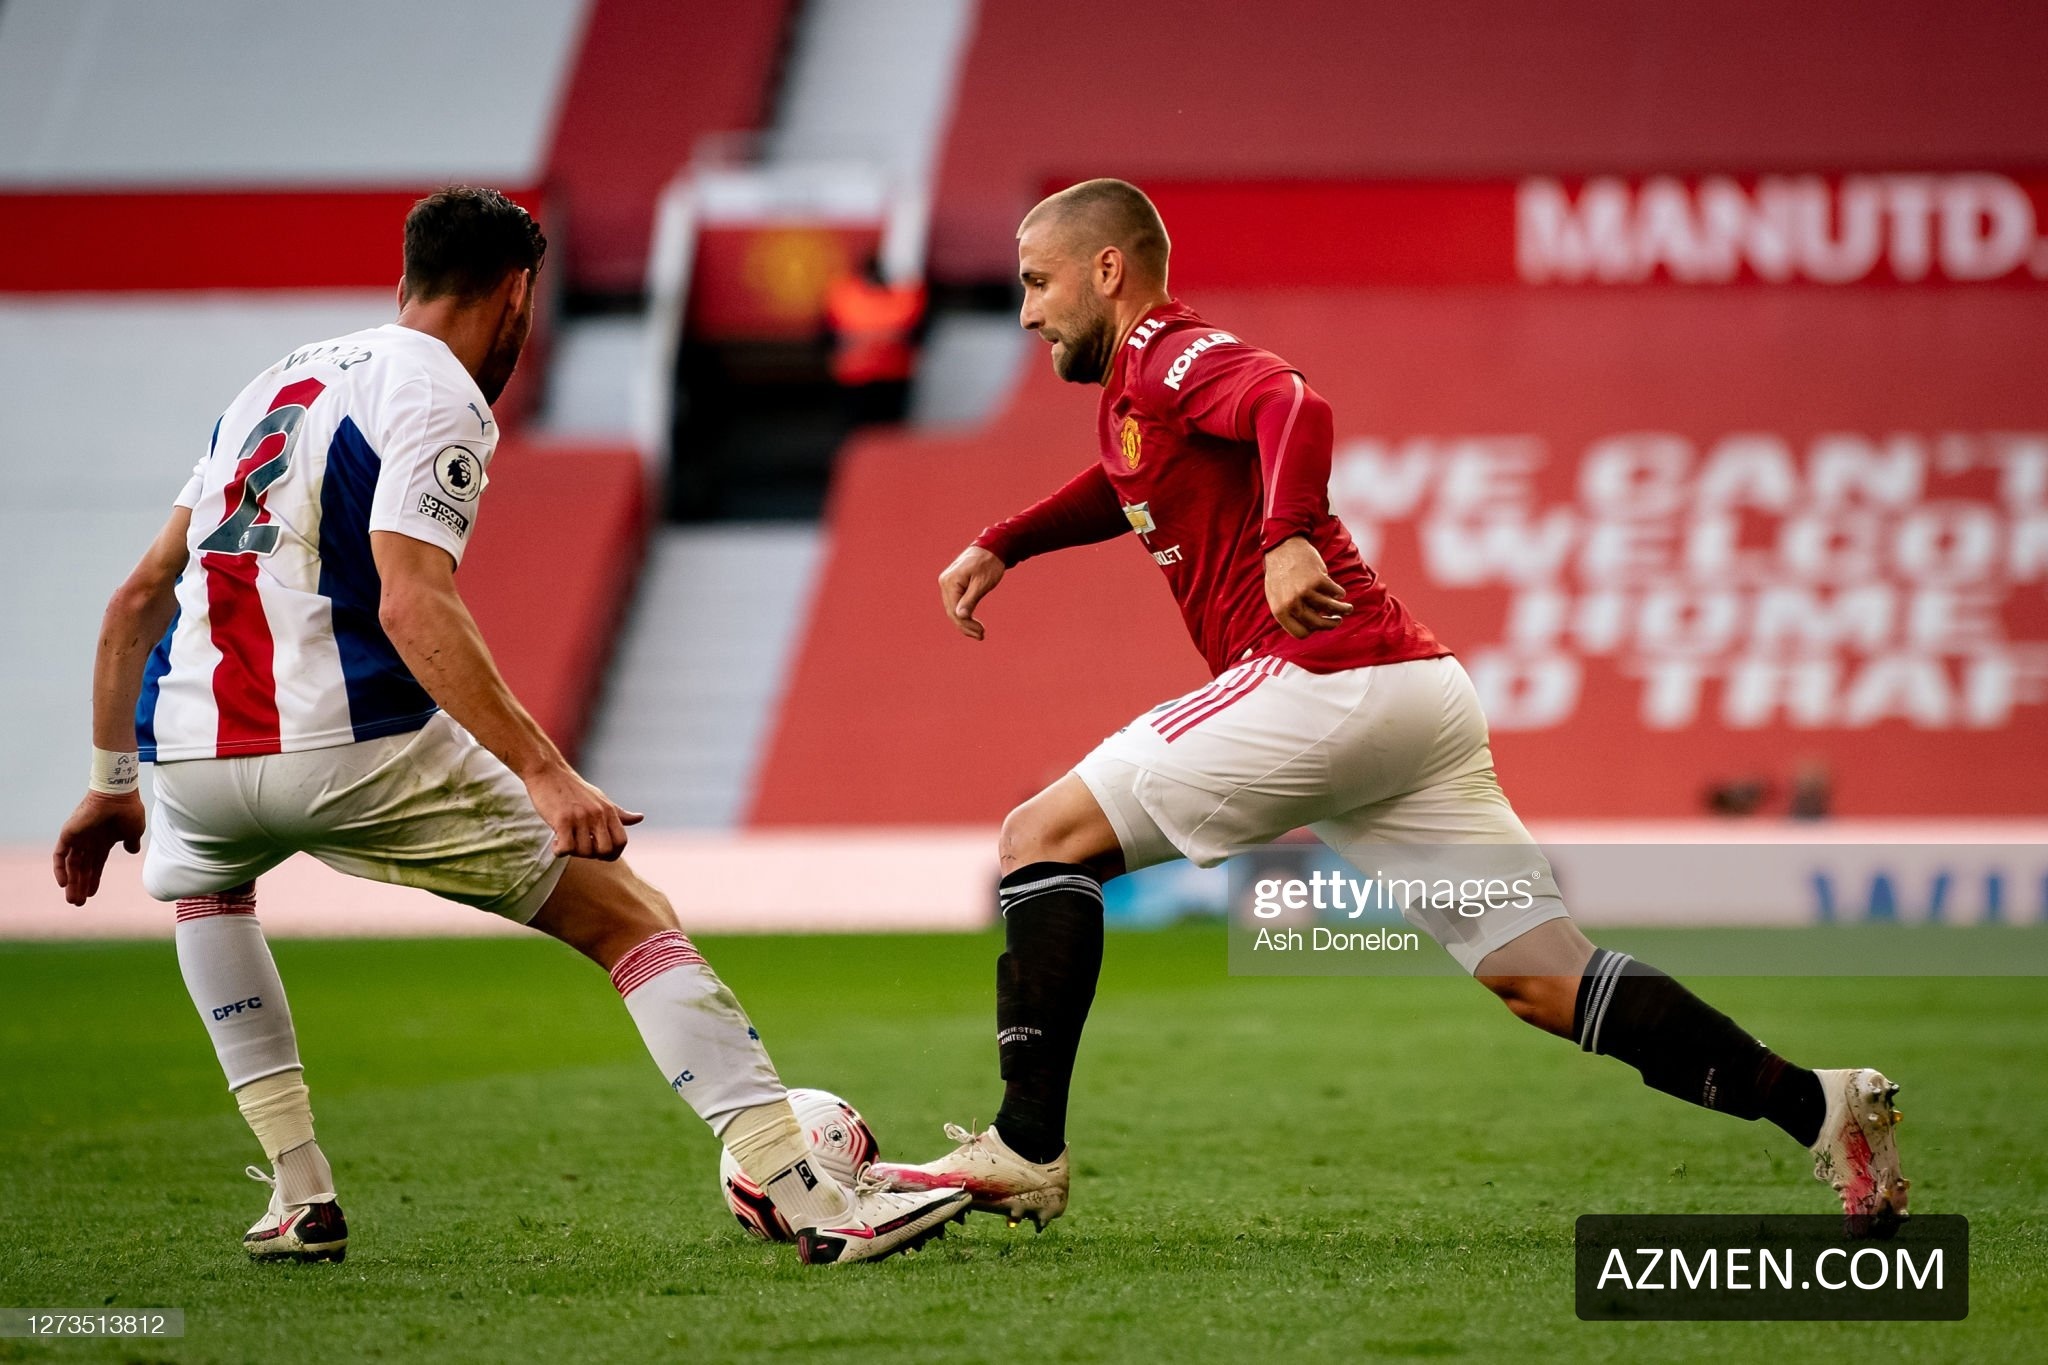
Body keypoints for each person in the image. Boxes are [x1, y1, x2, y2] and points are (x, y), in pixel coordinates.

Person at [867, 179, 1908, 1236]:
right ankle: (1819, 1105)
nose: (1027, 312)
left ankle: (1024, 1145)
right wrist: (1007, 540)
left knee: (1039, 836)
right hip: (1412, 696)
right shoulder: (1138, 398)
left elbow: (1290, 402)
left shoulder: (1166, 352)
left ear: (1107, 269)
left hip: (1323, 678)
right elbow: (1125, 478)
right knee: (1542, 978)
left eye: (1038, 283)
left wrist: (1285, 536)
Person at [50, 186, 966, 1267]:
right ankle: (816, 1199)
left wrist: (111, 781)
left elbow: (138, 595)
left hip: (190, 750)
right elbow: (412, 601)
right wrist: (545, 771)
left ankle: (298, 1193)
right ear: (516, 294)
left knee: (209, 894)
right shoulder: (437, 390)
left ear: (406, 278)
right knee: (628, 918)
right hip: (349, 739)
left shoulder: (270, 386)